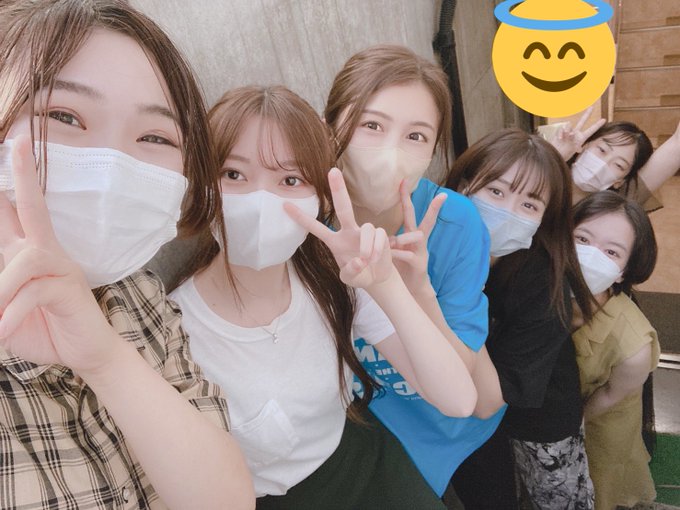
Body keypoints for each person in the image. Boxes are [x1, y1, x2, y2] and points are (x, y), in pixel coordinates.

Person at [170, 85, 477, 509]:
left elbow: (459, 400)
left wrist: (385, 284)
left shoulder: (330, 280)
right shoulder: (174, 328)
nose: (262, 199)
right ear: (202, 182)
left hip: (367, 465)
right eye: (233, 174)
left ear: (319, 198)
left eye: (290, 180)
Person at [0, 1, 253, 509]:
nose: (112, 166)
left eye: (155, 136)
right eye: (63, 115)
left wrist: (105, 360)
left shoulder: (139, 293)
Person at [323, 44, 499, 497]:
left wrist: (418, 288)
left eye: (416, 136)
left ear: (434, 151)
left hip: (454, 428)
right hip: (370, 429)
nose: (391, 150)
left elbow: (464, 377)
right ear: (331, 125)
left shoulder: (455, 222)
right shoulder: (310, 219)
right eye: (372, 125)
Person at [445, 129, 596, 510]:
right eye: (495, 191)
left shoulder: (544, 283)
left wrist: (464, 292)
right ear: (462, 186)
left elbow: (490, 400)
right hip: (465, 417)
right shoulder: (432, 246)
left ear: (544, 219)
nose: (507, 212)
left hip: (538, 418)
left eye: (529, 204)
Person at [571, 191, 660, 510]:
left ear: (623, 271)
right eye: (582, 239)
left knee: (598, 481)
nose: (589, 256)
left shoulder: (634, 345)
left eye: (611, 252)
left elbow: (609, 395)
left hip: (601, 421)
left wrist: (568, 423)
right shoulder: (538, 290)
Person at [550, 111, 680, 209]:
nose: (603, 164)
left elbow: (677, 144)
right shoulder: (546, 178)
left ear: (620, 181)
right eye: (602, 150)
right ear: (584, 146)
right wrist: (553, 157)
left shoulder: (617, 206)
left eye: (619, 165)